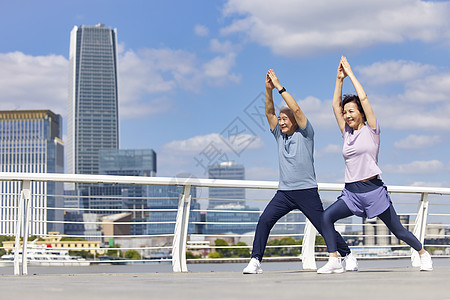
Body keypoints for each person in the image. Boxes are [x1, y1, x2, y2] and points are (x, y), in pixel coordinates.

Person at [317, 57, 433, 274]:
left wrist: (350, 73)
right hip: (351, 192)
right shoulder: (347, 134)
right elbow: (334, 105)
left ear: (360, 112)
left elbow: (364, 97)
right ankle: (334, 260)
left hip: (373, 190)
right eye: (345, 113)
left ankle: (423, 253)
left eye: (351, 111)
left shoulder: (372, 131)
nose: (347, 115)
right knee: (326, 216)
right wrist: (338, 79)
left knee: (398, 231)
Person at [243, 69, 357, 274]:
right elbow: (269, 112)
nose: (282, 121)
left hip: (306, 191)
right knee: (264, 221)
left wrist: (279, 86)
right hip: (284, 193)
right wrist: (268, 90)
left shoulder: (306, 133)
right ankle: (255, 261)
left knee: (323, 225)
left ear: (295, 121)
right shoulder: (279, 135)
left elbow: (296, 109)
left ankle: (348, 255)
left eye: (285, 118)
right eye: (280, 119)